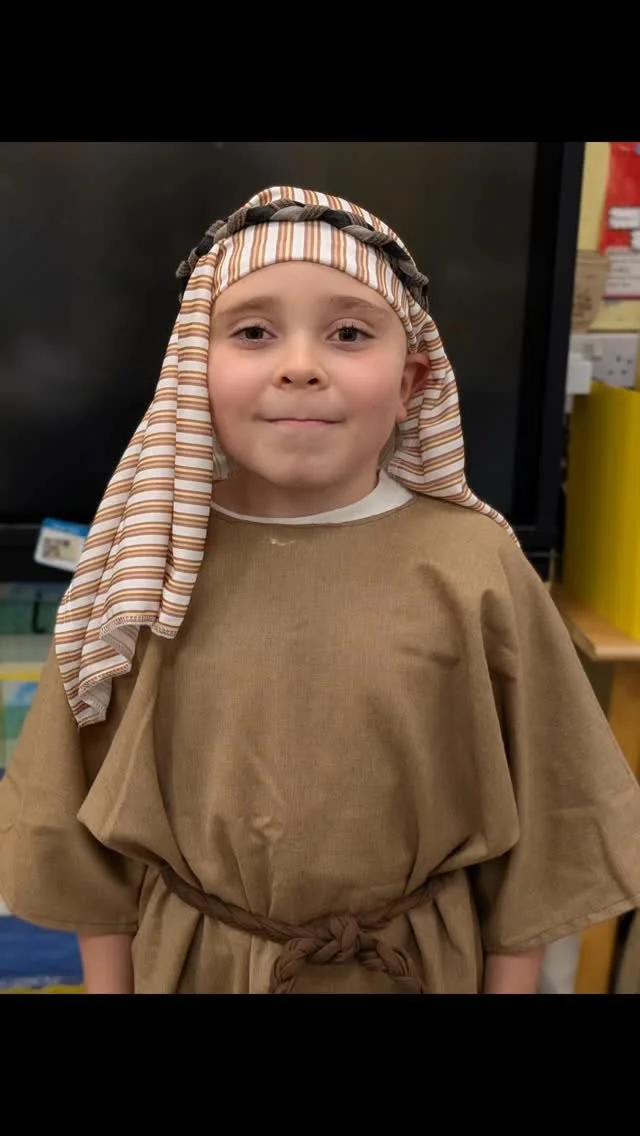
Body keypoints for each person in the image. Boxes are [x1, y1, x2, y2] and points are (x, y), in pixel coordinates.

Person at [1, 185, 639, 996]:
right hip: (195, 970)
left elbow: (547, 832)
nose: (300, 365)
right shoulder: (143, 571)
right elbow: (79, 833)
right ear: (195, 368)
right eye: (254, 332)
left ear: (410, 383)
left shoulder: (477, 567)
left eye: (348, 333)